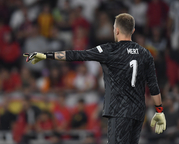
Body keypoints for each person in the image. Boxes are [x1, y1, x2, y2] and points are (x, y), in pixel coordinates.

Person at [23, 13, 166, 144]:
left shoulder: (108, 50)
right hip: (137, 112)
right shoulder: (145, 53)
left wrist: (45, 55)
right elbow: (154, 86)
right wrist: (159, 112)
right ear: (133, 31)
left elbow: (77, 55)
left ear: (116, 30)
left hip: (118, 110)